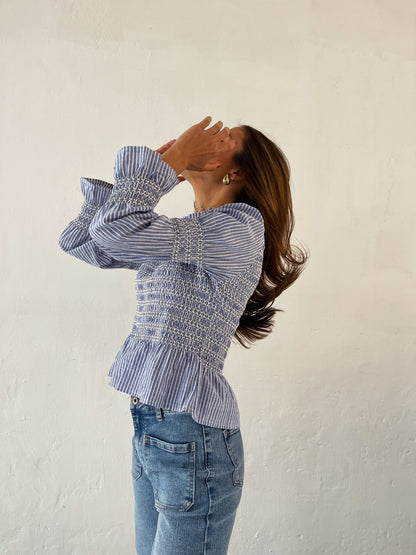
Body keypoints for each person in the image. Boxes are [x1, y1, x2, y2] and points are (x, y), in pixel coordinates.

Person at [58, 116, 309, 554]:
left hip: (191, 437)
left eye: (225, 137)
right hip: (156, 429)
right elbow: (85, 242)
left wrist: (168, 163)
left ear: (239, 172)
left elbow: (114, 230)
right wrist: (156, 165)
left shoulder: (238, 228)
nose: (210, 135)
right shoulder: (186, 236)